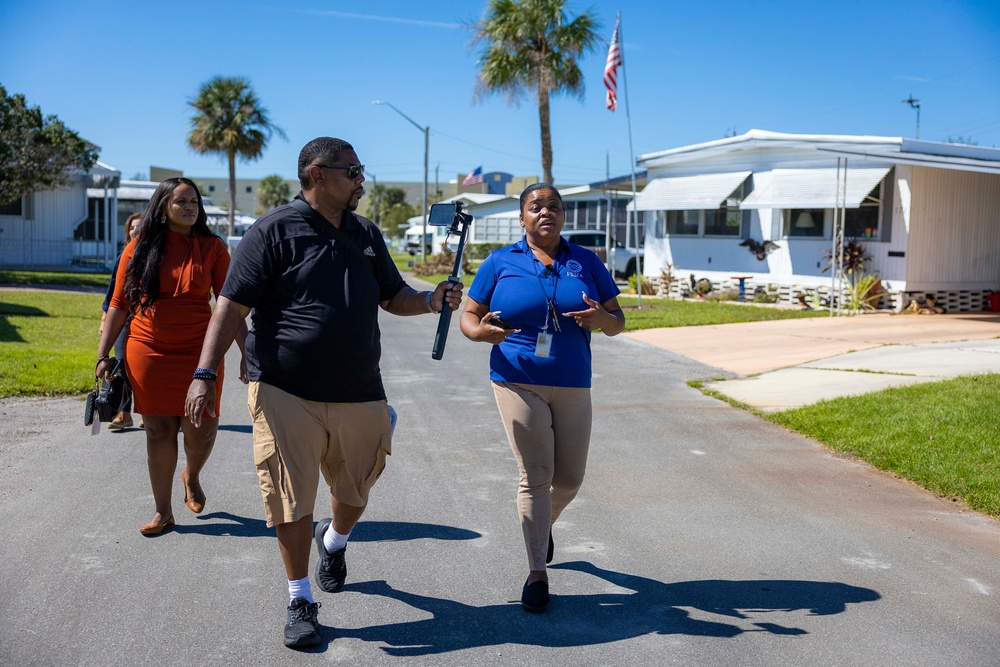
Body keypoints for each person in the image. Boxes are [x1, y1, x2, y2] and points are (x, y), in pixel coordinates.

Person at [183, 137, 463, 649]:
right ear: (316, 174)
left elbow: (391, 294)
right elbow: (230, 306)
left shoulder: (366, 234)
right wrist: (204, 374)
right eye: (352, 170)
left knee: (355, 488)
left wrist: (428, 299)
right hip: (285, 388)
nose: (361, 179)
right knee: (290, 495)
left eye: (361, 169)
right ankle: (299, 598)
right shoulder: (273, 231)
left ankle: (333, 542)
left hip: (360, 388)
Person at [459, 183, 625, 614]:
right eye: (536, 207)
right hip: (516, 378)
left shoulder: (585, 261)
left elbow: (617, 321)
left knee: (569, 479)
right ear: (522, 217)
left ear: (563, 216)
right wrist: (481, 333)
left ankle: (542, 523)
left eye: (554, 206)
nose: (545, 212)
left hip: (573, 379)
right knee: (536, 474)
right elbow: (469, 317)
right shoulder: (500, 262)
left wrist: (601, 318)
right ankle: (536, 572)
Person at [96, 178, 247, 536]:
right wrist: (103, 354)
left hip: (201, 351)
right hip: (148, 350)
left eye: (194, 201)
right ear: (162, 206)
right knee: (158, 430)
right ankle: (163, 512)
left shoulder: (213, 247)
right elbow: (119, 304)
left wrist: (247, 351)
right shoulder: (138, 247)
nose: (190, 207)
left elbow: (230, 306)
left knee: (201, 430)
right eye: (181, 201)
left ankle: (191, 475)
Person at [100, 213, 143, 430]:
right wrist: (104, 319)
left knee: (144, 368)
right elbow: (112, 295)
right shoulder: (123, 257)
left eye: (141, 226)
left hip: (145, 319)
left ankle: (147, 412)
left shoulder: (154, 255)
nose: (137, 230)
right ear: (128, 231)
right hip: (123, 319)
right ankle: (124, 413)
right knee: (122, 365)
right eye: (133, 227)